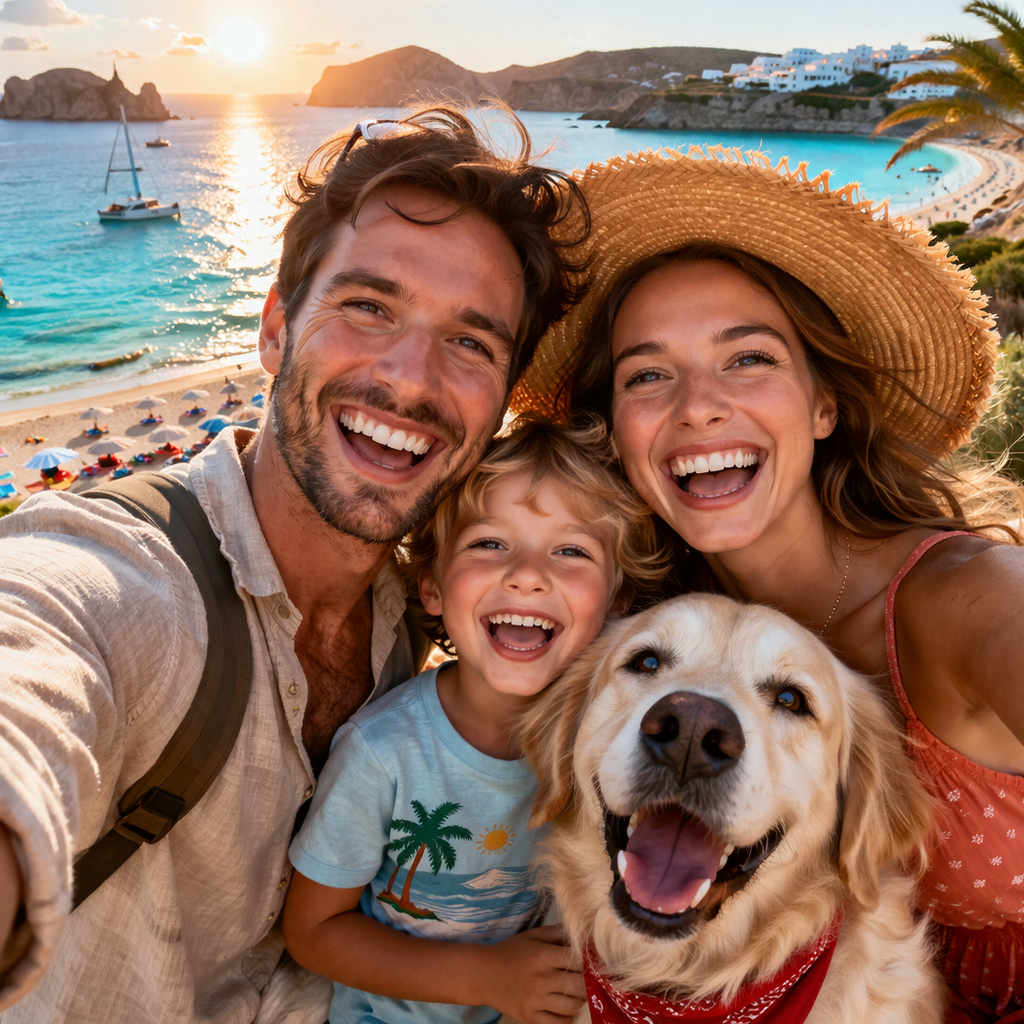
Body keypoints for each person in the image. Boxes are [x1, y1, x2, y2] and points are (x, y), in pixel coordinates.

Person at [0, 107, 588, 1023]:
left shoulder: (426, 615)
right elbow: (36, 657)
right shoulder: (128, 578)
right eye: (369, 307)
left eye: (471, 343)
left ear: (502, 405)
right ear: (275, 328)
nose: (411, 379)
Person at [514, 148, 1024, 1023]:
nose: (697, 405)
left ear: (825, 404)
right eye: (648, 374)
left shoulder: (977, 597)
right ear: (619, 435)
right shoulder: (640, 618)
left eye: (747, 358)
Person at [283, 416, 665, 1024]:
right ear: (432, 587)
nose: (529, 574)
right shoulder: (383, 753)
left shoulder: (610, 747)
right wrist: (489, 978)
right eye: (490, 544)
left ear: (617, 600)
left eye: (571, 551)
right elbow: (313, 932)